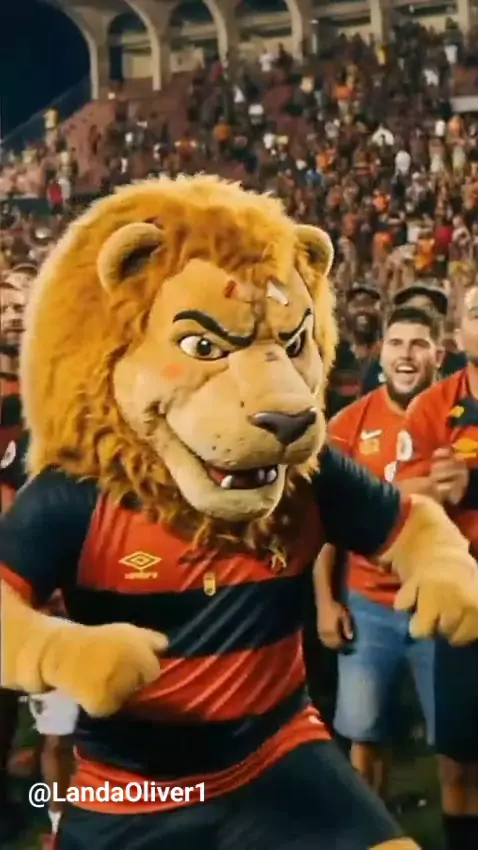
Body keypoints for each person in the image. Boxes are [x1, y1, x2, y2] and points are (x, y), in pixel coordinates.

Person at [317, 306, 443, 800]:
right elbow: (327, 527)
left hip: (443, 607)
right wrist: (326, 602)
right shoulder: (349, 424)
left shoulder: (461, 418)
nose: (406, 355)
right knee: (364, 738)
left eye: (418, 344)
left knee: (459, 743)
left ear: (438, 354)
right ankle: (378, 829)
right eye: (397, 343)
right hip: (369, 608)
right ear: (382, 353)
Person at [395, 283, 478, 850]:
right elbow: (398, 492)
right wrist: (439, 487)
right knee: (459, 760)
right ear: (458, 333)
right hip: (463, 597)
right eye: (477, 312)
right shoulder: (432, 407)